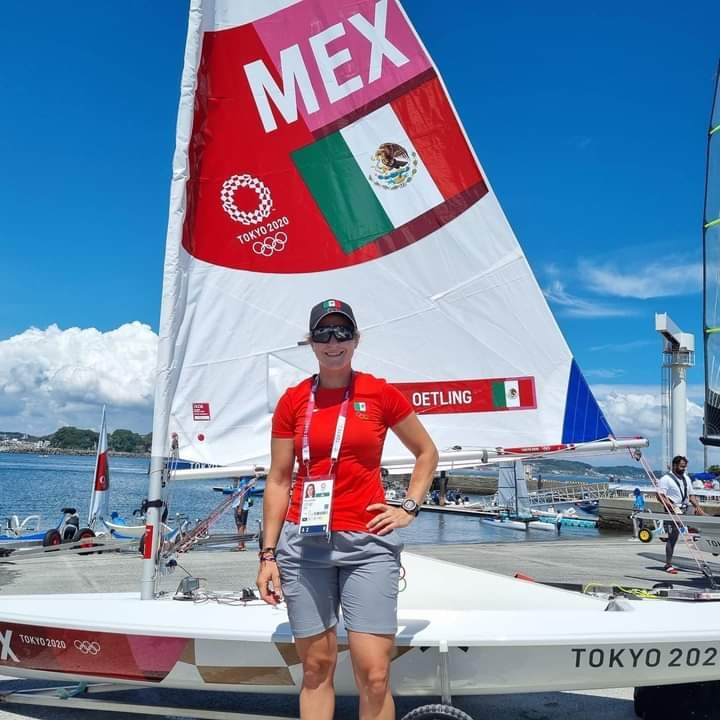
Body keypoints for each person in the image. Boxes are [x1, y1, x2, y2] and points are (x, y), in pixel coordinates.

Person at [257, 299, 438, 720]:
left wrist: (408, 506)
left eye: (342, 333)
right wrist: (267, 555)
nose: (333, 342)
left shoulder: (378, 393)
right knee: (317, 667)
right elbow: (279, 479)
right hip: (304, 547)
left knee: (373, 674)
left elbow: (426, 452)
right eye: (323, 333)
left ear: (356, 340)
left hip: (369, 545)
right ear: (311, 342)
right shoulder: (293, 401)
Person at [656, 455, 706, 573]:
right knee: (673, 537)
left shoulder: (686, 478)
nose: (684, 469)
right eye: (682, 466)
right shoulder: (665, 479)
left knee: (700, 527)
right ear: (674, 465)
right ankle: (668, 564)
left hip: (685, 508)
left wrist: (698, 507)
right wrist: (671, 507)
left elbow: (691, 495)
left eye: (685, 467)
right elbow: (660, 495)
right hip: (673, 509)